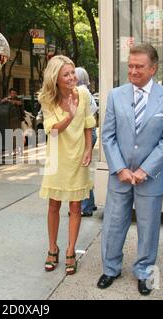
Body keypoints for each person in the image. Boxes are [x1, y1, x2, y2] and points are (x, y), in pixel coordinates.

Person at [98, 43, 163, 295]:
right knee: (113, 223)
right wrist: (120, 168)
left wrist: (145, 170)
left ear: (153, 68)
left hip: (151, 178)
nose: (132, 71)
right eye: (130, 66)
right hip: (119, 176)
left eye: (139, 67)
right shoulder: (115, 95)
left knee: (148, 226)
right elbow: (108, 135)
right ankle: (110, 269)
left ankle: (144, 272)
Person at [38, 55, 96, 275]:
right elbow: (51, 130)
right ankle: (53, 248)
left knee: (75, 207)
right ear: (56, 78)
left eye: (73, 72)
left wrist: (89, 148)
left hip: (78, 155)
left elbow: (89, 124)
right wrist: (70, 115)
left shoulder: (82, 94)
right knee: (54, 204)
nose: (72, 77)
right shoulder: (47, 99)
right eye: (67, 74)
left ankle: (71, 250)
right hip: (57, 157)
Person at [75, 67, 99, 217]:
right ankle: (90, 204)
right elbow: (95, 109)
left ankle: (86, 207)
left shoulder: (80, 92)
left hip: (85, 133)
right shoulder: (86, 92)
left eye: (72, 74)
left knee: (80, 173)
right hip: (89, 132)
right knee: (82, 170)